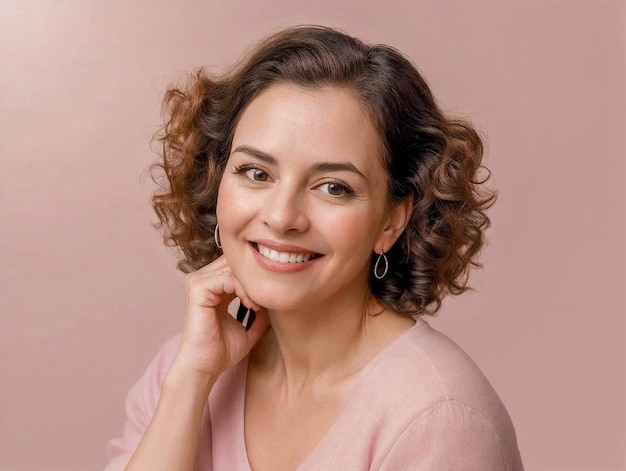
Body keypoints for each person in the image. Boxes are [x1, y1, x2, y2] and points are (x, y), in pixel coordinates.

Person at [104, 25, 524, 471]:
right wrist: (189, 384)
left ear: (391, 219)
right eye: (256, 173)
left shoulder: (439, 419)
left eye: (333, 187)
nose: (283, 217)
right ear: (217, 179)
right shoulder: (185, 365)